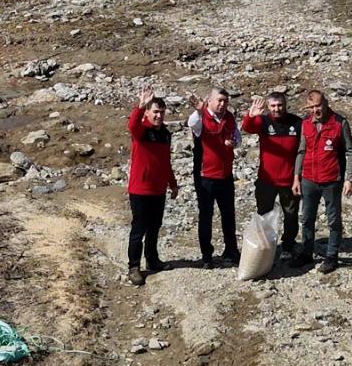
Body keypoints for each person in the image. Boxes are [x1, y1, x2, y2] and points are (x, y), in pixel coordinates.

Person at [290, 90, 352, 274]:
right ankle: (306, 252)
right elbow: (301, 151)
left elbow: (350, 152)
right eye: (311, 107)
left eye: (318, 106)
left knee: (333, 220)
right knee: (307, 218)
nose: (315, 110)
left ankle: (332, 255)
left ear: (326, 103)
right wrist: (296, 176)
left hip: (331, 180)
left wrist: (350, 179)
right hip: (309, 179)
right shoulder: (305, 124)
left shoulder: (339, 123)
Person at [241, 91, 302, 263]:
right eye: (273, 106)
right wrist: (250, 116)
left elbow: (303, 149)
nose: (277, 109)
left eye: (280, 105)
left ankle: (288, 246)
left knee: (291, 215)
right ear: (268, 107)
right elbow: (247, 128)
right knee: (264, 214)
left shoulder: (296, 122)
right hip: (266, 180)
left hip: (289, 180)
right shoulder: (264, 121)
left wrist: (299, 176)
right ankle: (265, 246)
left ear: (285, 105)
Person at [126, 87, 177, 286]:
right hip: (140, 189)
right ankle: (134, 267)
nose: (158, 115)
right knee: (139, 228)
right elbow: (132, 125)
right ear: (147, 113)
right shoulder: (141, 130)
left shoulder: (165, 134)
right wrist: (139, 106)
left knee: (155, 227)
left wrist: (172, 184)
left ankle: (153, 259)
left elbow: (165, 162)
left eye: (162, 112)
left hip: (158, 189)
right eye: (155, 112)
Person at [187, 87, 242, 268]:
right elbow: (192, 123)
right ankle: (207, 255)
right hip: (206, 176)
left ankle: (231, 251)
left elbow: (237, 138)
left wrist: (233, 142)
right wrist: (199, 110)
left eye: (225, 101)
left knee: (228, 214)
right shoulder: (201, 118)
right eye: (219, 100)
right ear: (209, 101)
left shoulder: (229, 118)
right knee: (206, 215)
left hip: (225, 175)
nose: (222, 104)